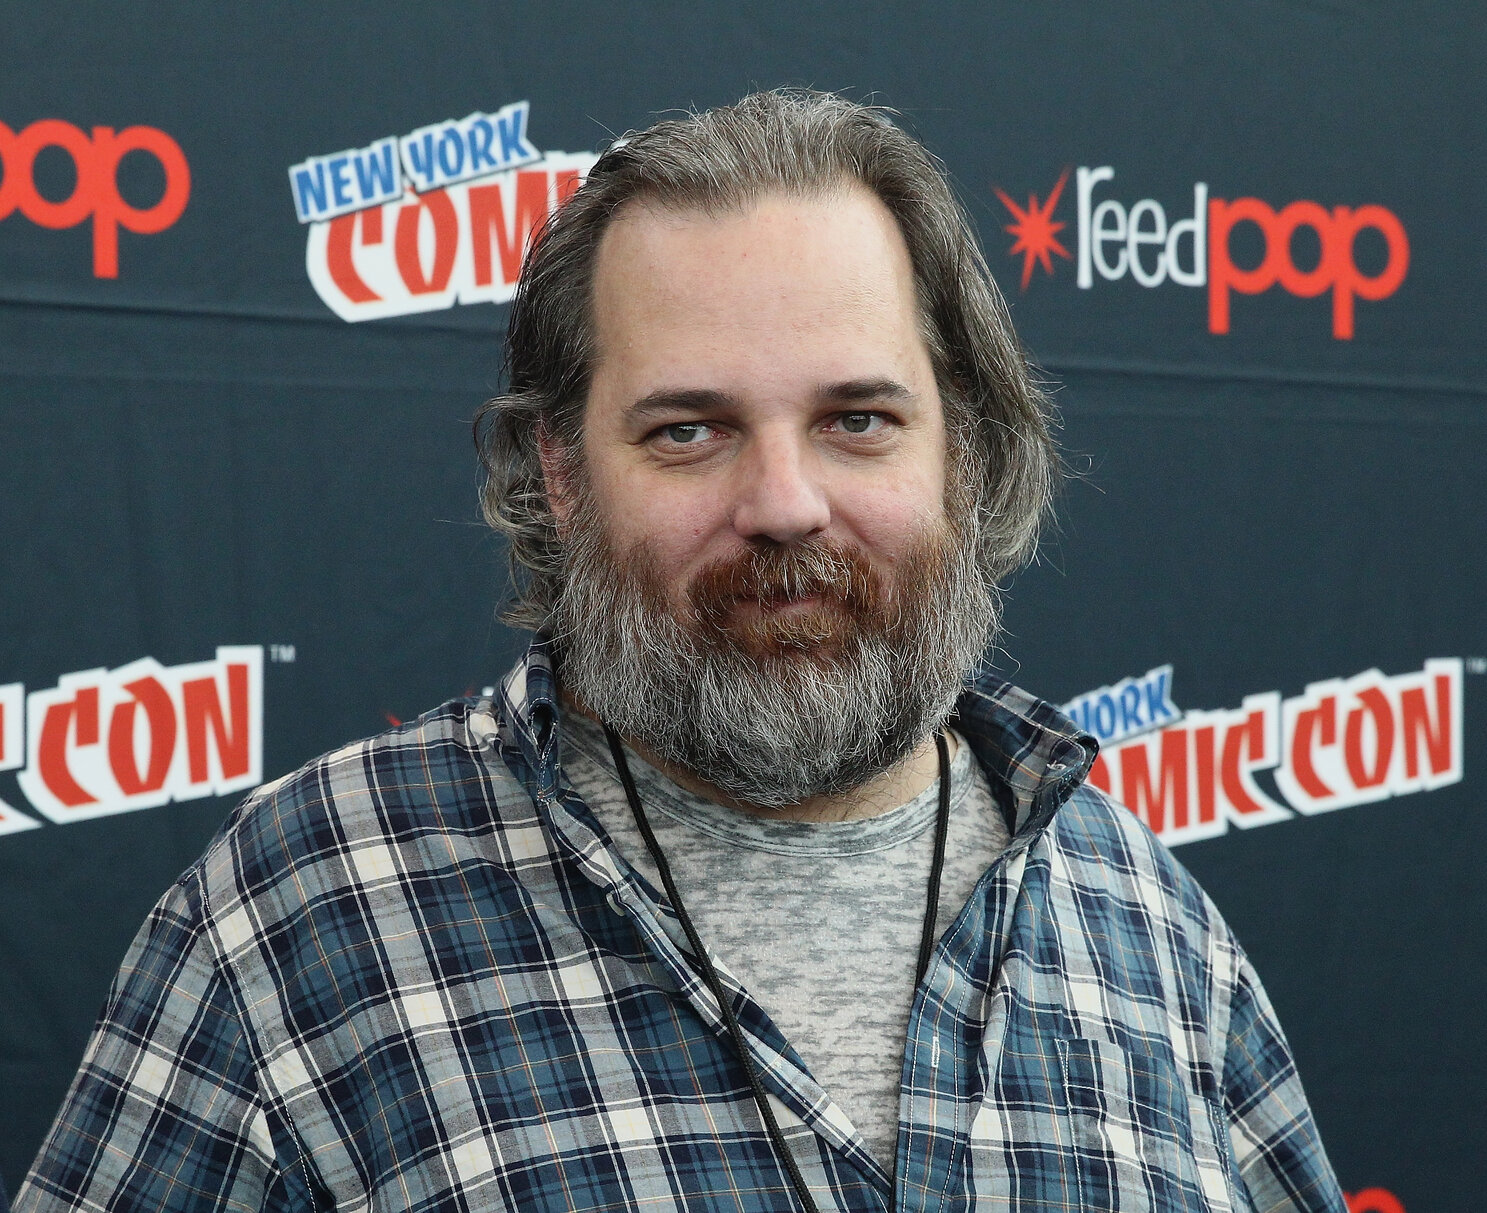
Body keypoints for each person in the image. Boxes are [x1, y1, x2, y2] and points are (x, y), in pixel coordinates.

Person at [16, 90, 1346, 1212]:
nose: (782, 501)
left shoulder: (1149, 929)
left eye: (860, 420)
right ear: (559, 477)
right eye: (686, 431)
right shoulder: (297, 920)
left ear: (967, 454)